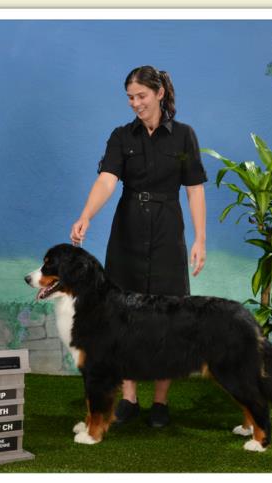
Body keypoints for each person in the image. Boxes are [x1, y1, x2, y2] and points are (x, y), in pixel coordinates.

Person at [70, 65, 207, 428]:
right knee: (121, 315)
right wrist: (86, 215)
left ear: (159, 93)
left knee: (169, 316)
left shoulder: (184, 137)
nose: (135, 103)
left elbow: (194, 189)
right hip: (127, 228)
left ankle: (160, 403)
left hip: (168, 229)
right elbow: (107, 180)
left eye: (141, 96)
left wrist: (200, 239)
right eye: (130, 98)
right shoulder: (120, 136)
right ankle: (128, 399)